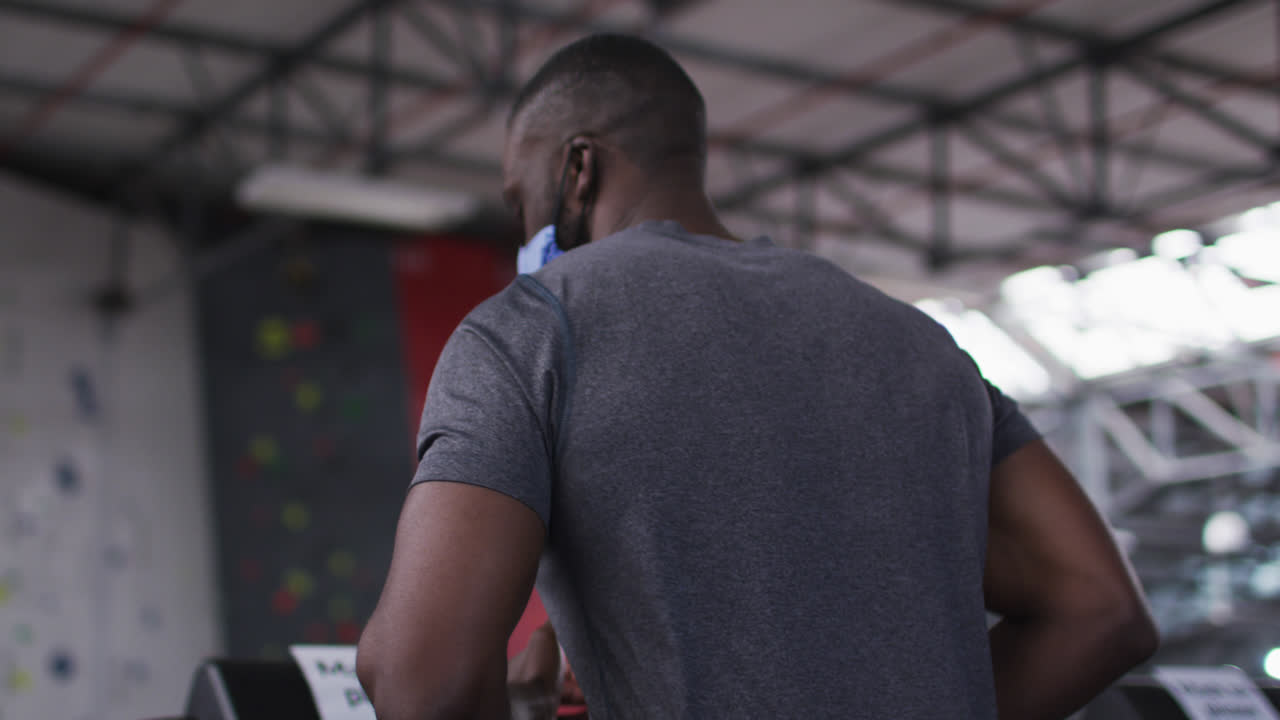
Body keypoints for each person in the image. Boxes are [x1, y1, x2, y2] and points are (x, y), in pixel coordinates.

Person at [355, 33, 1158, 720]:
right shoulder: (923, 346)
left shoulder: (530, 329)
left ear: (578, 170)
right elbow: (1100, 608)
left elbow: (425, 682)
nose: (524, 224)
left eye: (520, 195)